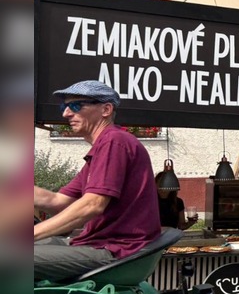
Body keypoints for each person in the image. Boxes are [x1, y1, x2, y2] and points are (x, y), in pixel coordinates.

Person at [33, 80, 160, 282]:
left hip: (114, 251)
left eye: (75, 105)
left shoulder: (114, 142)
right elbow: (58, 201)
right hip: (99, 245)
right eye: (64, 106)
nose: (66, 113)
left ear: (106, 109)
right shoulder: (102, 148)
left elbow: (92, 205)